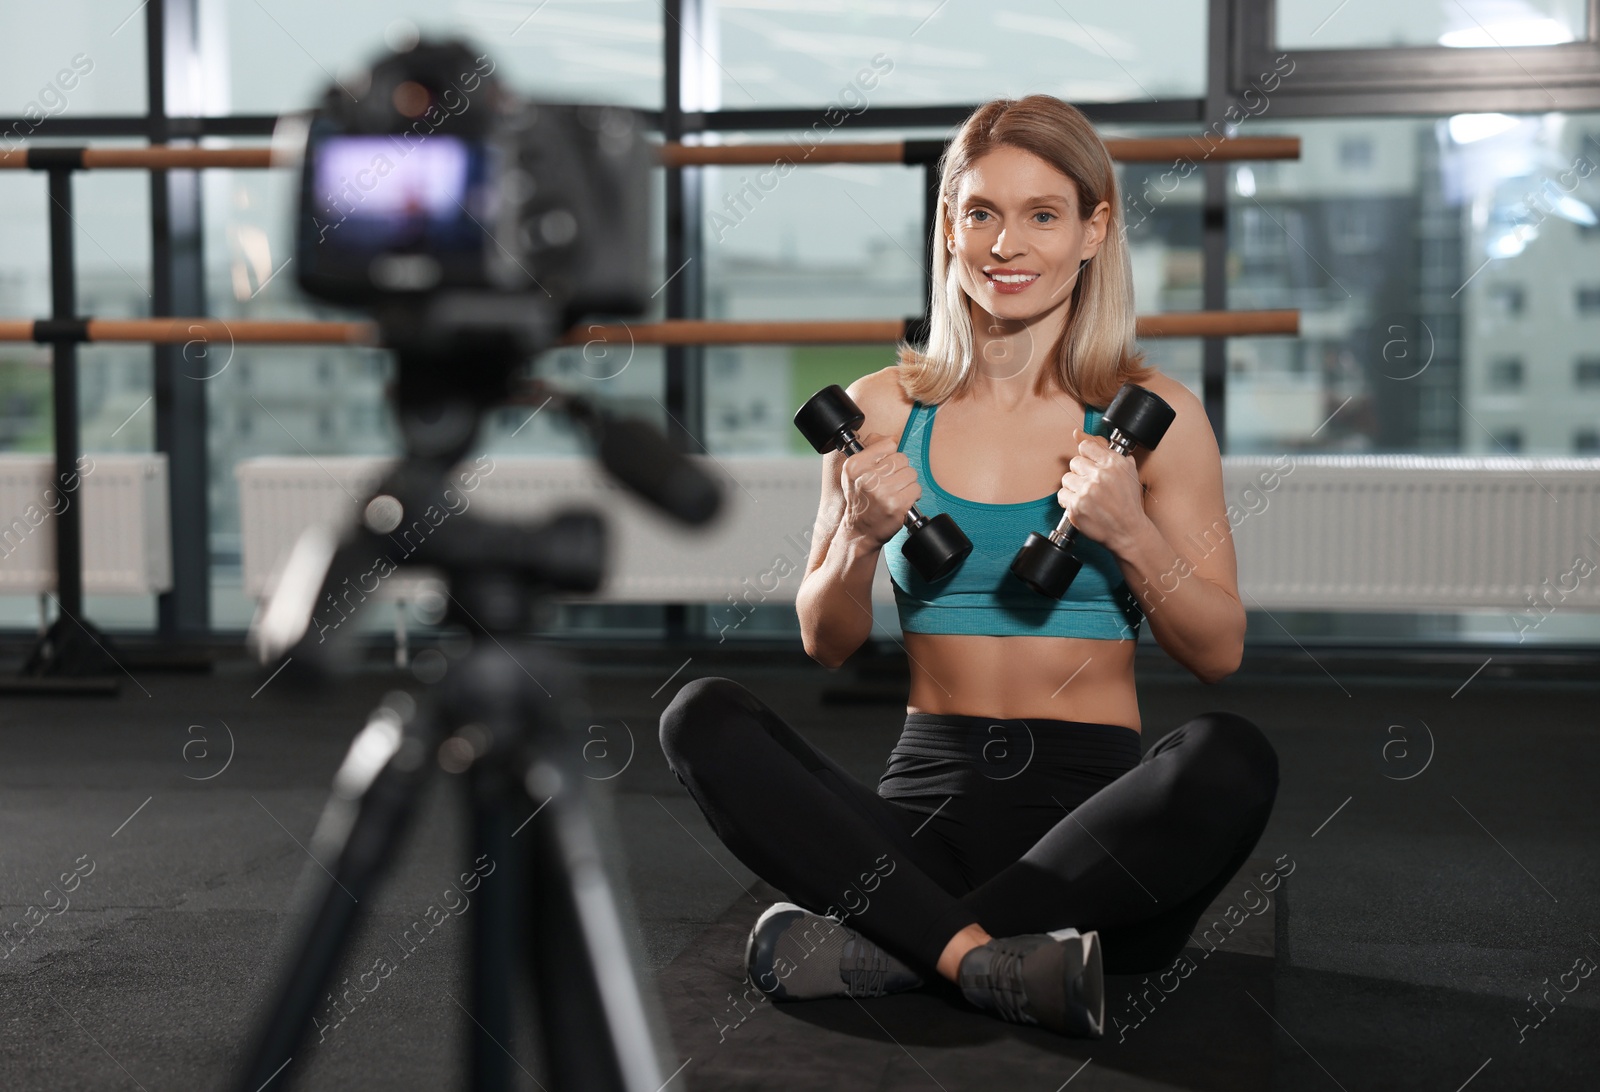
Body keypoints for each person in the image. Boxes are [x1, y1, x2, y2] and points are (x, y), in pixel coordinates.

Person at [659, 94, 1280, 1039]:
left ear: (1092, 229)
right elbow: (825, 642)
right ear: (948, 225)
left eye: (1042, 214)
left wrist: (1130, 531)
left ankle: (907, 949)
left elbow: (1219, 651)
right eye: (981, 212)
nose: (1007, 244)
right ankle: (984, 962)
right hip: (924, 818)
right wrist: (861, 538)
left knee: (1233, 757)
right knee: (700, 715)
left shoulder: (1156, 415)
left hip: (1099, 826)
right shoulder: (878, 410)